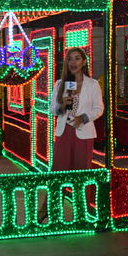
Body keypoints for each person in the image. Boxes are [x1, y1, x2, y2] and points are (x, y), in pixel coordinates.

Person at [40, 47, 103, 220]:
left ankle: (82, 214)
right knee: (58, 171)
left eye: (77, 59)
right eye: (70, 59)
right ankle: (50, 210)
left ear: (83, 62)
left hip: (83, 134)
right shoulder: (60, 84)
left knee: (82, 172)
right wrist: (62, 105)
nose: (73, 62)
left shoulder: (92, 84)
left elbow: (99, 109)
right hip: (63, 132)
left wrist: (82, 118)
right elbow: (52, 109)